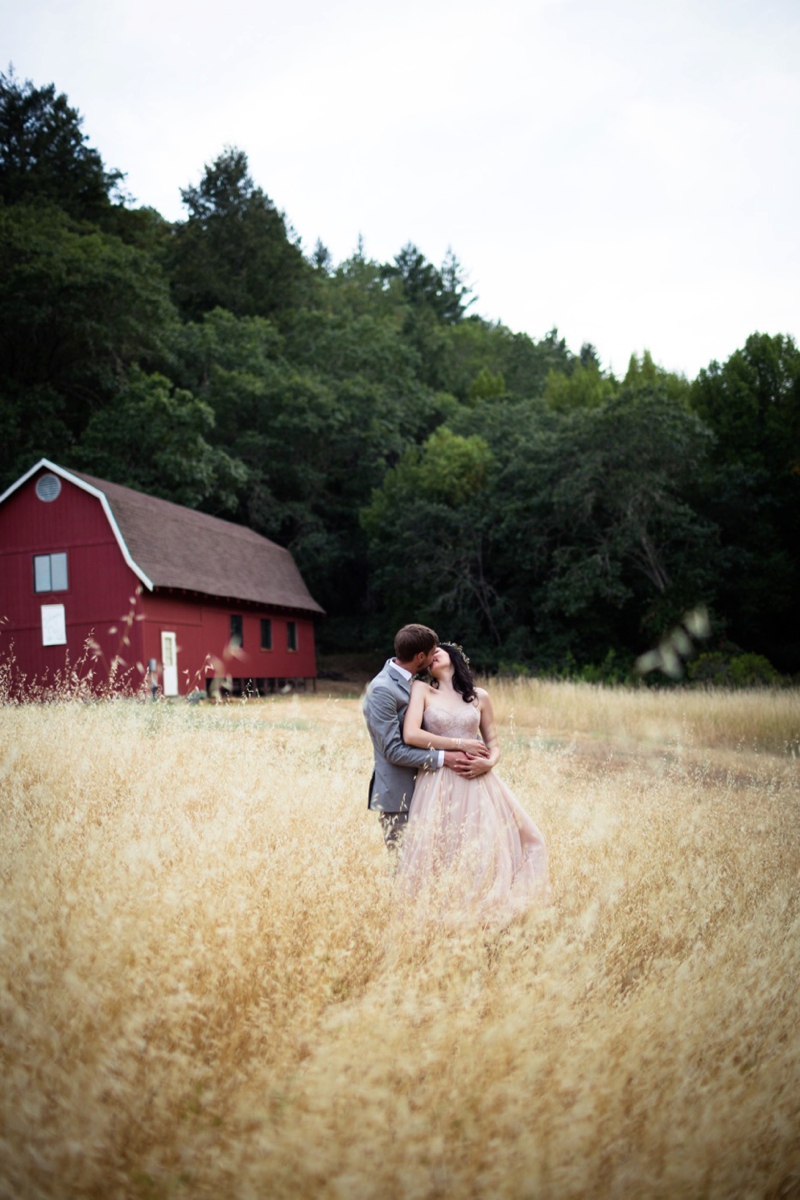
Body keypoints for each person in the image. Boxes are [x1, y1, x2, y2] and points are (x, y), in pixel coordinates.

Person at [398, 642, 550, 923]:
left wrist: (488, 762)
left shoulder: (479, 697)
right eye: (428, 657)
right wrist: (460, 743)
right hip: (438, 781)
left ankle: (485, 914)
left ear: (453, 657)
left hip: (478, 780)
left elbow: (493, 743)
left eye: (437, 653)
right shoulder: (422, 690)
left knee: (495, 843)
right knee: (442, 846)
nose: (431, 658)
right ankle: (439, 917)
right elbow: (411, 735)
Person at [362, 624, 487, 849]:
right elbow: (392, 750)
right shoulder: (382, 689)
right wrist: (446, 758)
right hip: (400, 795)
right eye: (432, 654)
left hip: (433, 789)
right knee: (404, 870)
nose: (433, 660)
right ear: (420, 657)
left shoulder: (417, 684)